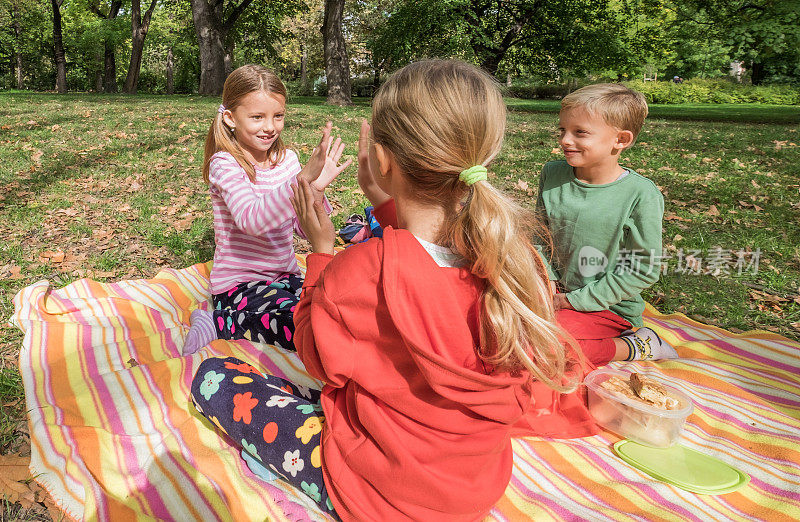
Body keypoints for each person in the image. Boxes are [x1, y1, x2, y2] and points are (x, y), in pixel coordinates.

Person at [190, 59, 597, 521]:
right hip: (476, 488)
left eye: (275, 116)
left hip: (375, 491)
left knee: (215, 377)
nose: (268, 127)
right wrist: (375, 206)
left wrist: (322, 252)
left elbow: (315, 355)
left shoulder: (359, 271)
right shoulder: (517, 266)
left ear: (381, 161)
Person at [182, 64, 351, 354]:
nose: (270, 126)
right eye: (257, 117)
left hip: (286, 276)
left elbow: (301, 226)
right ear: (230, 118)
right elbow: (252, 220)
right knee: (300, 328)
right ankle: (218, 322)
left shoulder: (287, 160)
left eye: (278, 116)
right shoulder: (225, 164)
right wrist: (301, 181)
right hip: (239, 287)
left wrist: (316, 190)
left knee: (332, 310)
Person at [538, 83, 678, 366]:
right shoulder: (552, 174)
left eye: (580, 132)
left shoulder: (640, 195)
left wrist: (574, 302)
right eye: (562, 130)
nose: (565, 140)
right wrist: (547, 285)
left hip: (608, 308)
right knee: (497, 327)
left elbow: (642, 269)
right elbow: (539, 238)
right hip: (550, 296)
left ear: (621, 139)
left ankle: (638, 345)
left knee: (548, 350)